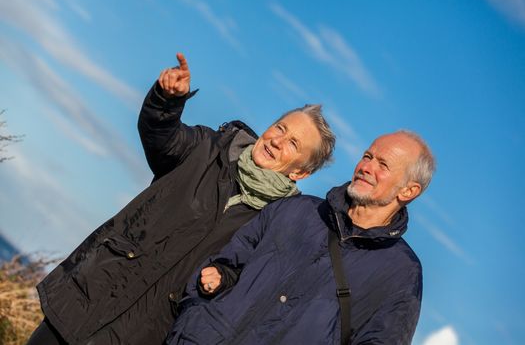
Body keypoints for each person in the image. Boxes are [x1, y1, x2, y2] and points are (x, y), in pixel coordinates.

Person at [28, 53, 336, 345]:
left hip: (146, 332)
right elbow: (162, 138)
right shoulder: (209, 147)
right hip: (90, 297)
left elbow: (245, 281)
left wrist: (223, 278)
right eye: (280, 128)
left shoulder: (279, 222)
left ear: (301, 173)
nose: (277, 140)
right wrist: (166, 101)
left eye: (293, 144)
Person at [167, 130, 435, 345]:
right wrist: (201, 308)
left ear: (409, 191)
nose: (366, 167)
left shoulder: (402, 272)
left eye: (383, 165)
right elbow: (225, 262)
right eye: (367, 156)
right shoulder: (296, 209)